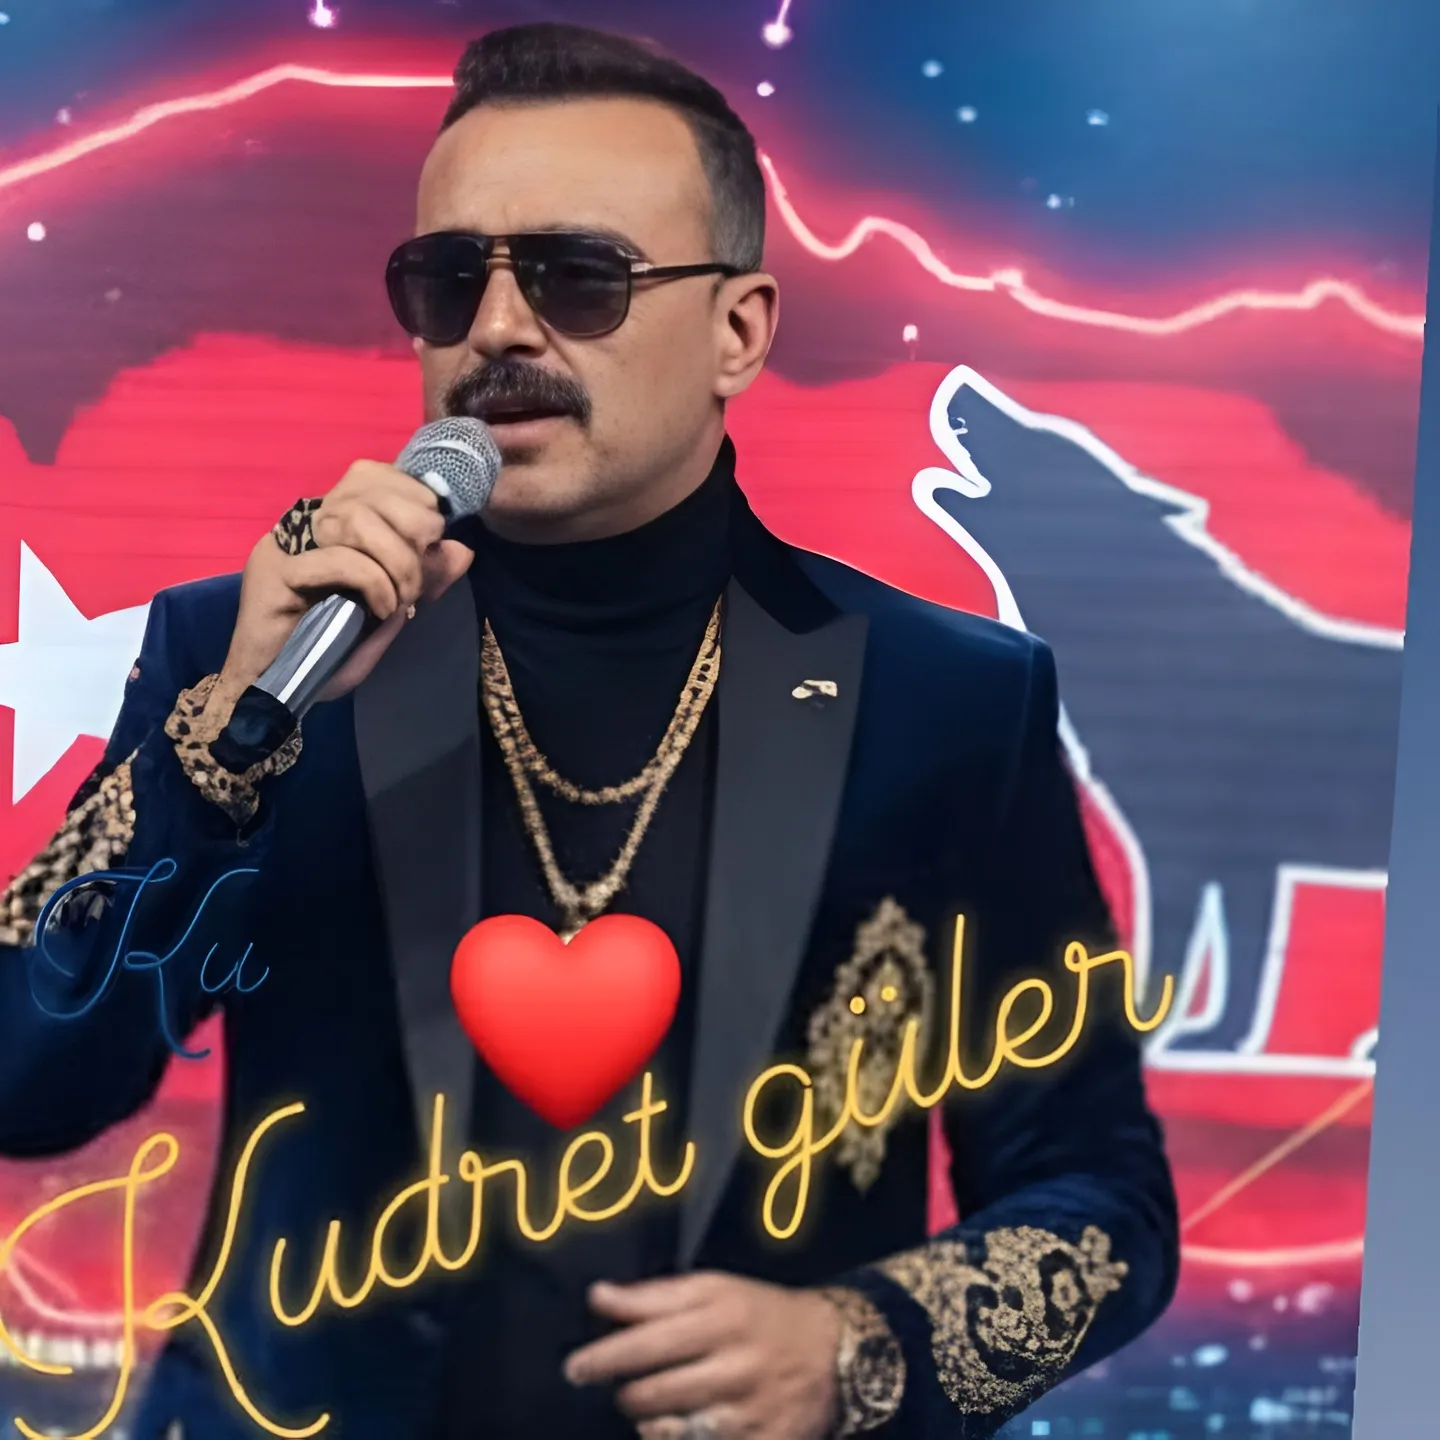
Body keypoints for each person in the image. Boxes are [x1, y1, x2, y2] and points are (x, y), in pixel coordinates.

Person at [0, 23, 1178, 1440]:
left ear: (740, 330)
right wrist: (224, 745)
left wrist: (858, 1349)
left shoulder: (945, 700)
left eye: (578, 277)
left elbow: (1104, 1200)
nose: (499, 328)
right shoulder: (251, 659)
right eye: (450, 280)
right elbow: (25, 1079)